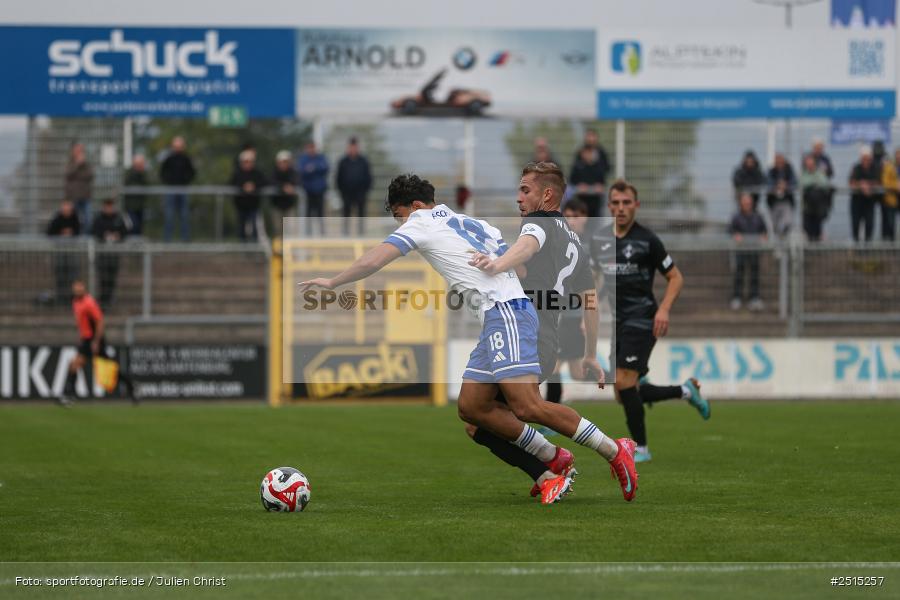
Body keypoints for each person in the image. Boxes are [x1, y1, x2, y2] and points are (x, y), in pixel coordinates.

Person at [301, 173, 638, 505]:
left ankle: (612, 449)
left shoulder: (420, 222)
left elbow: (374, 259)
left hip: (506, 312)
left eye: (398, 215)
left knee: (527, 405)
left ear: (415, 206)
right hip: (499, 315)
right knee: (472, 408)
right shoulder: (475, 223)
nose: (400, 224)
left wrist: (333, 282)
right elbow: (519, 270)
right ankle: (551, 460)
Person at [590, 179, 709, 463]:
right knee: (623, 392)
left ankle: (640, 448)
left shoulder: (648, 240)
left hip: (643, 317)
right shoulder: (600, 241)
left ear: (636, 205)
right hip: (619, 321)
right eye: (616, 203)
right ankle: (685, 391)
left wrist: (664, 309)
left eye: (626, 203)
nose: (621, 208)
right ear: (609, 206)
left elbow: (676, 277)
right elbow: (593, 281)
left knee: (626, 380)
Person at [58, 280, 135, 405]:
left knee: (106, 368)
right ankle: (69, 395)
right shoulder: (75, 302)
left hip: (93, 340)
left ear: (84, 289)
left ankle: (132, 387)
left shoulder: (89, 303)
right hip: (86, 339)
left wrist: (96, 341)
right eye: (76, 288)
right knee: (75, 365)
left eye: (80, 288)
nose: (77, 290)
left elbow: (100, 322)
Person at [545, 197, 591, 405]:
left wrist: (586, 317)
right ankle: (621, 377)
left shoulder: (587, 249)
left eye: (577, 216)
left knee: (553, 366)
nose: (571, 220)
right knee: (576, 373)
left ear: (586, 219)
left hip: (572, 318)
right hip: (560, 315)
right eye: (568, 216)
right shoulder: (559, 243)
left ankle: (551, 417)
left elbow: (594, 286)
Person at [729, 192, 768, 312]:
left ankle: (754, 298)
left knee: (754, 275)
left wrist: (763, 237)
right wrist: (736, 235)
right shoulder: (736, 217)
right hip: (741, 250)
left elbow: (764, 231)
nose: (746, 204)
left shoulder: (758, 216)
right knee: (739, 274)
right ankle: (737, 297)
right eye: (744, 201)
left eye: (748, 201)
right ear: (741, 203)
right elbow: (731, 230)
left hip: (754, 250)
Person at [91, 198, 128, 307]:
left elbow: (125, 231)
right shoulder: (98, 219)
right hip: (102, 255)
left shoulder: (119, 218)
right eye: (107, 206)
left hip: (114, 254)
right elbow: (94, 231)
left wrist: (118, 236)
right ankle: (103, 299)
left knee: (112, 277)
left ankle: (109, 298)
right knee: (103, 277)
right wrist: (104, 236)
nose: (109, 209)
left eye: (110, 206)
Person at [159, 136, 196, 242]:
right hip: (170, 190)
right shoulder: (168, 159)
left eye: (179, 146)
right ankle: (167, 240)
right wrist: (168, 181)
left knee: (184, 216)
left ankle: (185, 240)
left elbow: (192, 172)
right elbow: (162, 173)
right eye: (176, 146)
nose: (178, 148)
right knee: (169, 216)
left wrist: (185, 180)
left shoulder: (186, 159)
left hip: (183, 190)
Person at [46, 199, 80, 305]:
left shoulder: (75, 218)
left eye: (68, 206)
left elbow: (79, 231)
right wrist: (61, 232)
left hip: (71, 252)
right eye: (64, 206)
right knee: (60, 275)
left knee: (72, 275)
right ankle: (61, 297)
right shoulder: (57, 219)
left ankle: (72, 297)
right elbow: (49, 231)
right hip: (60, 251)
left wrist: (72, 233)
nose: (66, 208)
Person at [336, 137, 372, 235]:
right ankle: (345, 233)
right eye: (351, 147)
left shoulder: (363, 161)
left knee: (361, 215)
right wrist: (342, 192)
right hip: (346, 193)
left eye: (355, 147)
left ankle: (361, 233)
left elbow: (368, 177)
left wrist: (365, 191)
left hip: (360, 193)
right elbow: (338, 178)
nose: (353, 149)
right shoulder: (343, 162)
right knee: (346, 214)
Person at [230, 150, 266, 242]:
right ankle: (243, 249)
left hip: (254, 205)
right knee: (241, 227)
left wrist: (254, 186)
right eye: (245, 161)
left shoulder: (257, 173)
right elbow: (231, 184)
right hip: (241, 205)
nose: (247, 164)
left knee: (254, 227)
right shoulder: (237, 173)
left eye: (249, 161)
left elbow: (264, 183)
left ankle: (254, 248)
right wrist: (243, 187)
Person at [849, 146, 880, 242]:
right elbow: (852, 182)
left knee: (869, 224)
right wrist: (861, 185)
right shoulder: (856, 167)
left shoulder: (875, 168)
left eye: (868, 158)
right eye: (864, 158)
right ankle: (856, 246)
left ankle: (868, 247)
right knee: (855, 224)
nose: (866, 160)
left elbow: (878, 182)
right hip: (857, 202)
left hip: (869, 202)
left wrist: (867, 185)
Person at [298, 142, 329, 236]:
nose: (311, 150)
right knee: (308, 214)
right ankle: (308, 234)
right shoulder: (303, 159)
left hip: (320, 191)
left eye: (312, 148)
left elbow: (326, 167)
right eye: (309, 148)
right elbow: (301, 171)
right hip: (308, 192)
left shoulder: (321, 157)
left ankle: (321, 234)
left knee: (320, 214)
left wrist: (313, 168)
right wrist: (314, 169)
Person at [799, 154, 833, 242]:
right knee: (807, 228)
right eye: (808, 164)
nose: (810, 166)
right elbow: (802, 183)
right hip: (807, 206)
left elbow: (824, 183)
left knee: (817, 228)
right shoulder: (803, 174)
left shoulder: (820, 173)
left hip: (818, 207)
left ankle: (816, 249)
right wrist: (814, 183)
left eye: (811, 164)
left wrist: (811, 184)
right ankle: (809, 249)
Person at [569, 144, 607, 218]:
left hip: (595, 201)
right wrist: (578, 187)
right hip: (581, 200)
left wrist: (599, 187)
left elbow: (602, 183)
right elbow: (571, 182)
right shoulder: (577, 167)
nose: (588, 155)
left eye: (590, 152)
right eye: (586, 152)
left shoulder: (599, 167)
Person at [64, 142, 94, 232]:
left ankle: (85, 239)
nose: (79, 152)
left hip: (85, 196)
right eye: (77, 150)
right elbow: (68, 174)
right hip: (73, 197)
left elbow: (89, 176)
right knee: (75, 220)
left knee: (88, 220)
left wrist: (81, 167)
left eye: (80, 150)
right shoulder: (70, 162)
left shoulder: (87, 164)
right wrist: (77, 165)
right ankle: (76, 240)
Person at [766, 153, 796, 237]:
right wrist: (776, 186)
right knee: (775, 225)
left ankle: (783, 236)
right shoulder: (771, 171)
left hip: (787, 201)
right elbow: (768, 183)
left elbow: (794, 183)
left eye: (781, 161)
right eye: (777, 161)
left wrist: (786, 185)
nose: (779, 163)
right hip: (773, 202)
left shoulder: (789, 171)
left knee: (787, 222)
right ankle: (778, 241)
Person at [270, 150, 299, 239]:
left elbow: (297, 181)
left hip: (289, 206)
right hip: (277, 206)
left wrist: (290, 186)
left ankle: (289, 251)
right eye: (282, 162)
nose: (283, 164)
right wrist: (283, 187)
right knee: (277, 230)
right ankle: (278, 252)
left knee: (290, 230)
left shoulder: (293, 172)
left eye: (285, 162)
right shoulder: (274, 172)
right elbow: (271, 182)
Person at [873, 141, 897, 241]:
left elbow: (890, 176)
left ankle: (890, 241)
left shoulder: (887, 159)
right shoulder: (873, 159)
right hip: (878, 193)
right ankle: (885, 240)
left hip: (888, 194)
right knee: (885, 219)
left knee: (889, 219)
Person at [123, 154, 149, 236]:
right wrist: (137, 172)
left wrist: (141, 172)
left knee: (140, 227)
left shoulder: (144, 174)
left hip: (141, 206)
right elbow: (128, 183)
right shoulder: (130, 173)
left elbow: (147, 184)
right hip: (130, 206)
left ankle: (138, 245)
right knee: (133, 226)